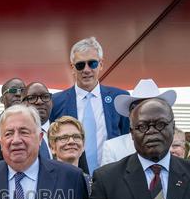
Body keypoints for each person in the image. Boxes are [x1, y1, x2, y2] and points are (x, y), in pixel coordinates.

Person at [49, 36, 131, 173]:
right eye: (80, 65)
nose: (86, 70)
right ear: (72, 68)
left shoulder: (120, 98)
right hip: (70, 175)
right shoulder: (56, 101)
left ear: (101, 64)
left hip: (113, 176)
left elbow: (126, 138)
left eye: (92, 63)